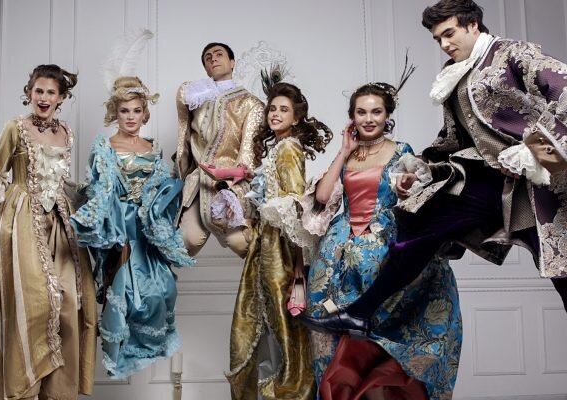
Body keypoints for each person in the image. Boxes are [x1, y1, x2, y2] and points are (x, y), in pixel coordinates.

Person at [303, 1, 567, 399]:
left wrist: (535, 150)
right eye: (437, 39)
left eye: (449, 33)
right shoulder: (453, 75)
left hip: (540, 187)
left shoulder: (513, 53)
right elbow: (452, 139)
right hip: (490, 181)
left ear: (472, 25)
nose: (444, 44)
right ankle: (359, 313)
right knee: (421, 222)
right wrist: (418, 169)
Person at [303, 80, 461, 400]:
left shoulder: (401, 150)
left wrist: (407, 187)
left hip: (384, 244)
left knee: (377, 337)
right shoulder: (348, 154)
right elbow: (322, 196)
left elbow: (418, 191)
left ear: (387, 115)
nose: (369, 119)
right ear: (352, 117)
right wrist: (343, 151)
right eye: (361, 112)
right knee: (332, 332)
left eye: (376, 112)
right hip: (340, 249)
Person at [0, 65, 98, 399]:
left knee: (69, 302)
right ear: (29, 93)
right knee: (33, 304)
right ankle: (24, 387)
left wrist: (90, 197)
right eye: (38, 91)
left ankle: (58, 391)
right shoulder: (16, 128)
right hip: (22, 221)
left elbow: (61, 182)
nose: (43, 98)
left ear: (61, 97)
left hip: (60, 224)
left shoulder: (67, 132)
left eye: (51, 92)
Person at [72, 76, 194, 379]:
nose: (130, 117)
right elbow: (98, 190)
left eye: (136, 111)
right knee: (126, 290)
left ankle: (147, 346)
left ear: (144, 113)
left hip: (147, 227)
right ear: (115, 112)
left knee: (162, 290)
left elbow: (162, 189)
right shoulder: (105, 147)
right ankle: (119, 354)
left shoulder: (153, 147)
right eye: (124, 111)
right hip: (119, 227)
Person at [227, 80, 331, 400]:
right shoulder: (278, 147)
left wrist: (299, 265)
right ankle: (275, 389)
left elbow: (297, 207)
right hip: (267, 242)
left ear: (296, 117)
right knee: (268, 321)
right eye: (272, 108)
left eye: (283, 110)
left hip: (281, 248)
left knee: (283, 323)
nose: (275, 114)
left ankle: (289, 390)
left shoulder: (288, 148)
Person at [174, 42, 264, 258]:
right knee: (187, 241)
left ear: (232, 63)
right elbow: (185, 138)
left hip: (233, 184)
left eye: (219, 54)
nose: (213, 58)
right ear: (206, 69)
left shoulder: (250, 103)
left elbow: (248, 154)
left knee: (241, 242)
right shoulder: (196, 99)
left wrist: (233, 189)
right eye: (208, 57)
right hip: (199, 183)